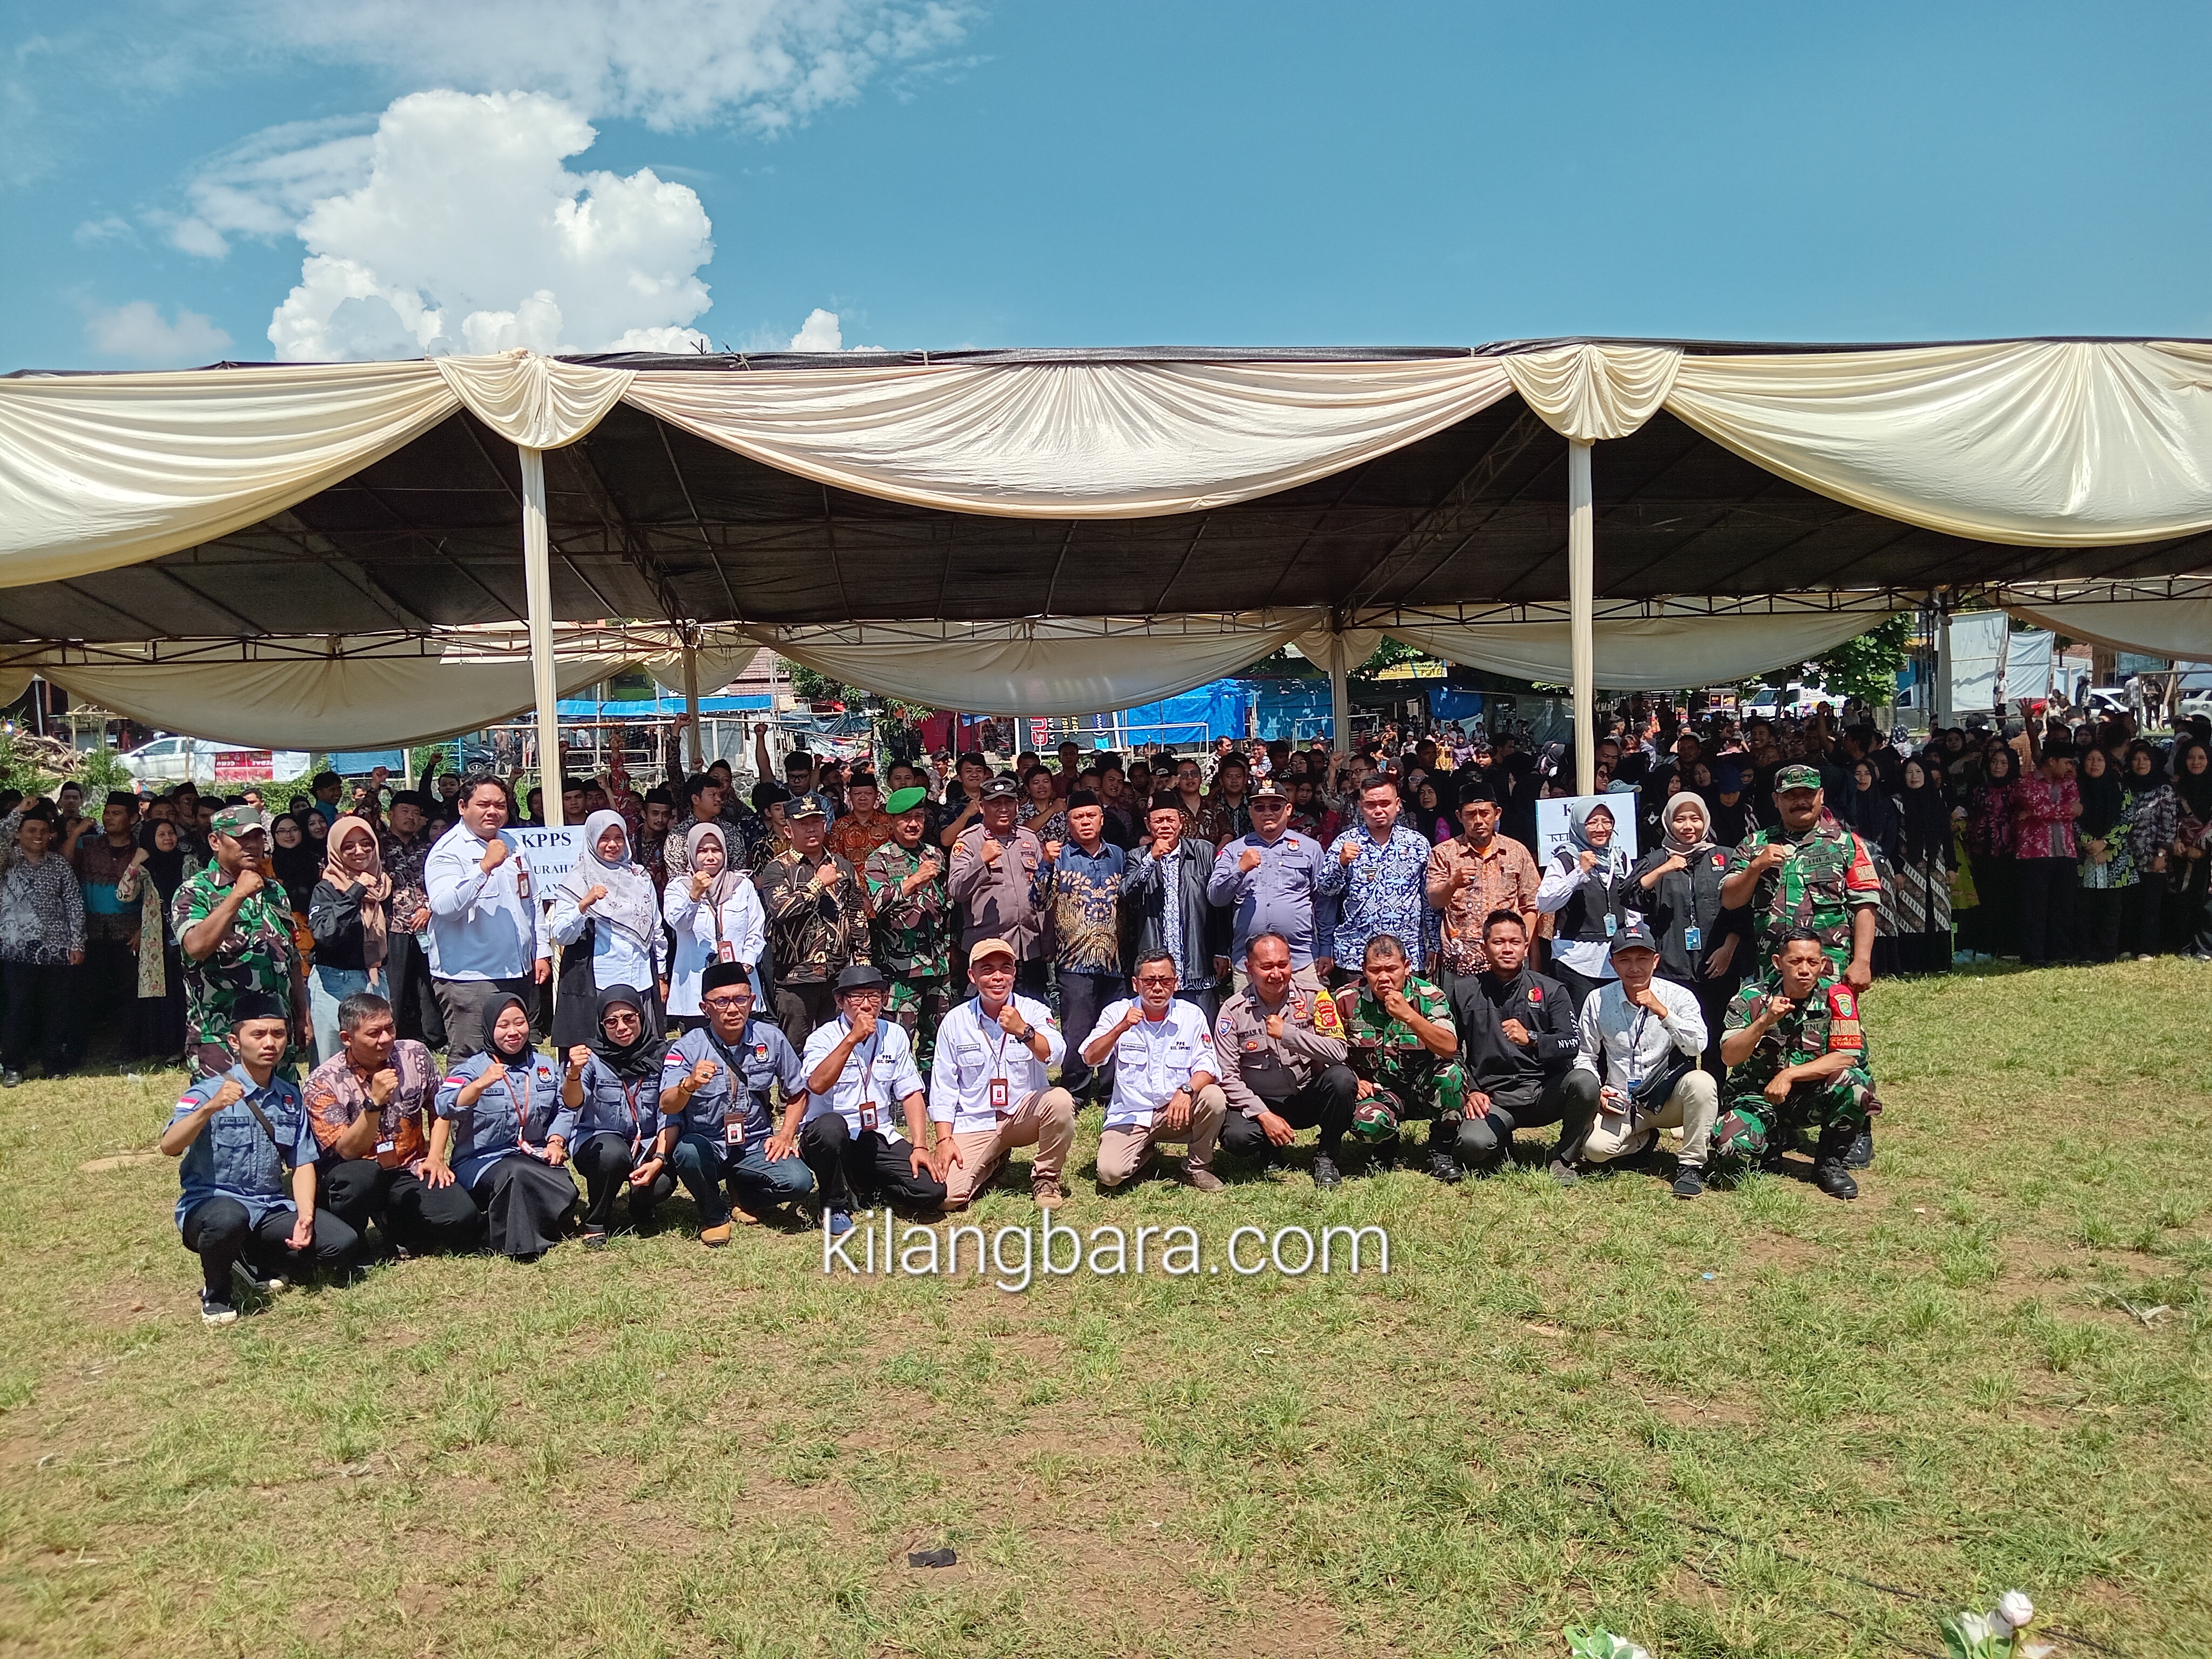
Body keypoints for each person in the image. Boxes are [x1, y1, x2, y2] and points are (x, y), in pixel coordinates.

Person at [162, 996, 365, 1325]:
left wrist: (306, 1216)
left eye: (278, 1034)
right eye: (258, 1035)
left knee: (340, 1244)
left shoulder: (289, 1097)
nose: (270, 1043)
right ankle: (217, 1293)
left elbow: (301, 1163)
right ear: (235, 1041)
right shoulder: (206, 1092)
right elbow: (169, 1146)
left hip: (268, 1207)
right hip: (212, 1206)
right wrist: (209, 1109)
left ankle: (250, 1254)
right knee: (229, 1219)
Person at [305, 991, 483, 1256]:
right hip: (354, 1174)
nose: (386, 1038)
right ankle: (353, 1241)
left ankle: (396, 1223)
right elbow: (347, 1151)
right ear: (347, 1038)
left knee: (462, 1217)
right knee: (361, 1177)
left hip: (407, 1168)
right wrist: (374, 1104)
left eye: (390, 1028)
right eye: (374, 1033)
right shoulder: (323, 1082)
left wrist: (435, 1157)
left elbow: (440, 1107)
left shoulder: (415, 1055)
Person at [1713, 930, 1878, 1201]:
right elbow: (1730, 1057)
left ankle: (1829, 1163)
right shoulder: (1752, 997)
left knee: (1855, 1083)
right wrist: (1764, 1021)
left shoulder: (1838, 998)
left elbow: (1847, 1056)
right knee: (1730, 1148)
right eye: (1795, 961)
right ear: (1778, 963)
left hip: (1810, 1097)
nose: (1804, 970)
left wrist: (1790, 1075)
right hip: (1756, 1096)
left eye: (1812, 962)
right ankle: (1773, 1141)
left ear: (1823, 965)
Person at [654, 965, 816, 1238]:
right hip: (708, 1144)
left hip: (755, 1141)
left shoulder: (771, 1038)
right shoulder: (687, 1047)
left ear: (752, 1001)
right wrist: (688, 1085)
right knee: (688, 1152)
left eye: (740, 999)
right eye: (721, 1002)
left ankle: (745, 1195)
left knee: (799, 1182)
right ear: (705, 1008)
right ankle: (714, 1215)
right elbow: (667, 1105)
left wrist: (785, 1136)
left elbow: (799, 1092)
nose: (732, 1009)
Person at [1565, 918, 1717, 1198]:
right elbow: (1586, 1055)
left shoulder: (1679, 996)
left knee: (1702, 1083)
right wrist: (1598, 1091)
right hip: (1623, 1103)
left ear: (1655, 961)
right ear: (1613, 964)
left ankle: (1691, 1165)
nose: (1634, 968)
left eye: (1642, 959)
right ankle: (1643, 1142)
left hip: (1669, 1099)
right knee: (1595, 1151)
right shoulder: (1598, 1000)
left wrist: (1664, 1013)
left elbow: (1697, 1046)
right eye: (1625, 960)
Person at [926, 937, 1074, 1210]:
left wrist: (1024, 1031)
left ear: (1014, 973)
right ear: (972, 976)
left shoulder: (1033, 1010)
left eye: (1005, 968)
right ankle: (994, 1160)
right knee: (946, 1198)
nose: (998, 977)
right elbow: (944, 1086)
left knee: (1060, 1100)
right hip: (976, 1121)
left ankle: (1047, 1178)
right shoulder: (955, 1021)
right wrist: (944, 1140)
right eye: (988, 970)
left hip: (1023, 1116)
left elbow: (1056, 1055)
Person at [797, 965, 946, 1233]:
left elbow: (911, 1092)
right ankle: (833, 1206)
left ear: (885, 998)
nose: (866, 1005)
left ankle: (861, 1182)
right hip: (828, 1136)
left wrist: (920, 1146)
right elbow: (817, 1085)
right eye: (857, 997)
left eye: (874, 996)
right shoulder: (822, 1037)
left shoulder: (895, 1034)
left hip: (875, 1133)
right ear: (840, 1001)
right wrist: (851, 1040)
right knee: (832, 1128)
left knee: (931, 1191)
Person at [1444, 910, 1590, 1183]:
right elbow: (1450, 1049)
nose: (1507, 949)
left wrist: (1533, 1039)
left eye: (1515, 942)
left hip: (1543, 1093)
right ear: (1485, 948)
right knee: (1472, 1146)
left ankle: (1564, 1158)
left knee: (1585, 1083)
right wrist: (1471, 1090)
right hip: (1493, 1098)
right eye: (1498, 942)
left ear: (1525, 947)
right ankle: (1500, 1143)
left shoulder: (1552, 990)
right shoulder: (1464, 991)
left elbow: (1572, 1043)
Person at [429, 993, 578, 1258]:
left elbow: (564, 1108)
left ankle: (540, 1225)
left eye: (520, 1023)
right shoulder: (472, 1069)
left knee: (562, 1185)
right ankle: (518, 1246)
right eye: (503, 1025)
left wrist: (556, 1141)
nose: (513, 1032)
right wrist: (479, 1085)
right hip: (482, 1161)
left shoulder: (544, 1067)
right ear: (489, 1028)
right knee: (514, 1173)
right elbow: (444, 1105)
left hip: (532, 1154)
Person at [1718, 764, 1880, 992]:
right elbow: (1730, 900)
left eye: (1808, 794)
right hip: (1771, 970)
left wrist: (1862, 962)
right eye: (1791, 796)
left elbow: (1865, 904)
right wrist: (1755, 868)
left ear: (1821, 796)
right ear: (1776, 800)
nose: (1800, 801)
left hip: (1828, 970)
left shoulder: (1847, 844)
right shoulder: (1754, 845)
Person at [1212, 932, 1358, 1187]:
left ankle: (1327, 1156)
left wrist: (1288, 1034)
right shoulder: (1233, 1011)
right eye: (1267, 967)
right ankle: (1269, 1148)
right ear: (1249, 968)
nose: (1277, 974)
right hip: (1262, 1101)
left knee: (1342, 1079)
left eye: (1283, 964)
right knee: (1237, 1138)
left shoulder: (1316, 996)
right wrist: (1263, 1115)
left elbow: (1338, 1051)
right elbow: (1227, 1076)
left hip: (1306, 1097)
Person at [423, 773, 549, 1059]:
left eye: (500, 805)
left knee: (514, 1054)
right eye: (483, 805)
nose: (493, 811)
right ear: (462, 807)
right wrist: (484, 868)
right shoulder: (447, 851)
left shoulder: (514, 844)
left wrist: (541, 950)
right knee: (472, 1057)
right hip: (470, 977)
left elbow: (532, 899)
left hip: (517, 971)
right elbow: (444, 907)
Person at [174, 805, 305, 1080]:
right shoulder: (195, 891)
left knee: (281, 1105)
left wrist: (303, 1015)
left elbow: (291, 957)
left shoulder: (274, 891)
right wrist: (237, 895)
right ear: (215, 841)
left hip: (274, 1034)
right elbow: (196, 947)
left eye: (257, 837)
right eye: (241, 838)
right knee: (228, 1106)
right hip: (222, 1035)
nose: (252, 845)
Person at [1087, 949, 1226, 1192]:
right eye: (1150, 981)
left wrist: (1186, 1090)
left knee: (1214, 1097)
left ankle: (1198, 1166)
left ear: (1176, 983)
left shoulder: (1192, 1015)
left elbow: (1208, 1066)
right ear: (1136, 984)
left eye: (1165, 980)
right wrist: (1120, 1028)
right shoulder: (1116, 1012)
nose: (1158, 987)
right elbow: (1090, 1057)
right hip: (1130, 1115)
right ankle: (1144, 1151)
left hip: (1176, 1111)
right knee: (1110, 1175)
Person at [1622, 792, 1744, 1069]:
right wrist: (1664, 868)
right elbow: (1629, 895)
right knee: (1675, 1040)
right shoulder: (1655, 860)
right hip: (1672, 968)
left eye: (1695, 818)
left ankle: (1714, 1093)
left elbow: (1741, 910)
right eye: (1680, 819)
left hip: (1717, 966)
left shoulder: (1725, 857)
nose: (1688, 826)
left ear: (1705, 820)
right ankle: (1677, 1092)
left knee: (1715, 1039)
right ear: (1668, 822)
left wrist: (1728, 949)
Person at [559, 984, 682, 1245]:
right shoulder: (589, 1058)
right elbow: (572, 1102)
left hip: (646, 1144)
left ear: (641, 1016)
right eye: (611, 1022)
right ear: (601, 1025)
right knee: (612, 1154)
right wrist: (574, 1074)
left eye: (629, 1018)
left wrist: (659, 1158)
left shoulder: (661, 1056)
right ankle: (597, 1220)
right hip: (599, 1142)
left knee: (662, 1181)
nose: (622, 1027)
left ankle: (640, 1205)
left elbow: (668, 1113)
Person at [1031, 789, 1128, 1106]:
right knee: (1077, 1029)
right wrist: (1045, 864)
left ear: (1102, 819)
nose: (1085, 822)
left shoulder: (1119, 856)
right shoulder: (1058, 856)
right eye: (1078, 817)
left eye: (1091, 815)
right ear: (1068, 822)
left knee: (1114, 1027)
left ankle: (1112, 1090)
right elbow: (1038, 901)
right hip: (1074, 959)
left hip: (1115, 959)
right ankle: (1076, 1091)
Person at [1339, 933, 1466, 1171]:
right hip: (1377, 1091)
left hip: (1421, 1087)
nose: (1384, 978)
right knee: (1368, 1125)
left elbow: (1449, 1047)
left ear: (1406, 967)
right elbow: (1328, 1052)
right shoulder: (1345, 1000)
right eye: (1375, 970)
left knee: (1452, 1075)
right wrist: (1354, 1079)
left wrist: (1409, 1016)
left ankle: (1441, 1151)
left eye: (1391, 969)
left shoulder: (1429, 995)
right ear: (1364, 970)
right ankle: (1386, 1145)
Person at [755, 798, 872, 1048]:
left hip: (838, 975)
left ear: (825, 825)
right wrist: (818, 884)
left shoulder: (842, 866)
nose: (811, 829)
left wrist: (863, 965)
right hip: (796, 977)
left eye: (816, 822)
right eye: (803, 824)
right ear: (789, 830)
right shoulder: (778, 869)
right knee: (794, 1049)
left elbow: (857, 916)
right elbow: (781, 911)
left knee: (839, 1045)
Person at [548, 810, 666, 1049]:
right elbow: (560, 934)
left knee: (640, 1047)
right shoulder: (579, 879)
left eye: (618, 838)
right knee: (602, 1049)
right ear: (592, 839)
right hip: (599, 982)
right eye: (604, 838)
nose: (613, 845)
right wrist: (584, 904)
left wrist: (661, 975)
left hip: (640, 979)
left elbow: (656, 927)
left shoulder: (639, 876)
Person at [1426, 787, 1542, 1005]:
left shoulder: (1516, 852)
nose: (1478, 820)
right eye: (1471, 814)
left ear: (1497, 814)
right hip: (1461, 965)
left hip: (1508, 963)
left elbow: (1531, 905)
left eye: (1485, 813)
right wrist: (1452, 883)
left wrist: (1527, 951)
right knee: (1460, 1022)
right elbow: (1435, 901)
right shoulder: (1444, 853)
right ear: (1459, 816)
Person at [1208, 780, 1328, 990]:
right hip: (1250, 964)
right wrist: (1240, 869)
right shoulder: (1233, 850)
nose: (1268, 813)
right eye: (1260, 807)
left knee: (1308, 1012)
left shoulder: (1311, 848)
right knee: (1249, 1013)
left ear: (1288, 809)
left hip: (1301, 960)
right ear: (1251, 811)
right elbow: (1216, 897)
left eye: (1275, 806)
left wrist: (1326, 948)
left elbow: (1324, 902)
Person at [864, 787, 952, 1068]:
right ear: (892, 822)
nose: (913, 824)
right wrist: (915, 879)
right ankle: (897, 1089)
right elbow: (878, 903)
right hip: (902, 968)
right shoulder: (879, 859)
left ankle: (931, 1085)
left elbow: (946, 902)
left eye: (919, 817)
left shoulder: (935, 855)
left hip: (937, 965)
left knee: (937, 1036)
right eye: (906, 818)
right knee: (898, 1037)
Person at [1123, 793, 1229, 1024]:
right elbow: (1128, 894)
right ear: (1148, 824)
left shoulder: (1203, 852)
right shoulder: (1136, 857)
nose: (1165, 826)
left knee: (1202, 1030)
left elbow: (1219, 905)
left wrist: (1222, 950)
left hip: (1199, 963)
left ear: (1181, 821)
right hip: (1156, 972)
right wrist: (1150, 860)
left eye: (1170, 820)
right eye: (1158, 820)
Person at [1317, 774, 1433, 986]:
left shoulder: (1418, 844)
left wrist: (1434, 944)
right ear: (1361, 807)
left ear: (1397, 804)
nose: (1378, 810)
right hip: (1356, 955)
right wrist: (1341, 863)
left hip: (1407, 954)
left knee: (1409, 1008)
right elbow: (1325, 890)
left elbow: (1430, 900)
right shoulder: (1345, 842)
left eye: (1385, 803)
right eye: (1371, 805)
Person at [0, 800, 85, 1085]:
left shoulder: (58, 863)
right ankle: (13, 1066)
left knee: (56, 1009)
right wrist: (17, 813)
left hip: (55, 949)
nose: (38, 836)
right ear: (19, 833)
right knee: (17, 1009)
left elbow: (73, 903)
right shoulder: (7, 860)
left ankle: (54, 1063)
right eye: (31, 830)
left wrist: (77, 943)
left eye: (43, 831)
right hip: (16, 949)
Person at [948, 776, 1049, 994]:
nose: (1003, 809)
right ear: (982, 807)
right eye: (995, 803)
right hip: (988, 950)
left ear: (1017, 806)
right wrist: (980, 861)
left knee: (1033, 1010)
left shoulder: (1029, 839)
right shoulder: (969, 841)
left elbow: (1044, 893)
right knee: (989, 1013)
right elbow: (956, 891)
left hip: (1029, 948)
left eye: (1008, 802)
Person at [306, 815, 392, 1064]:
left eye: (366, 844)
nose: (359, 851)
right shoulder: (326, 888)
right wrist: (355, 892)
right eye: (349, 846)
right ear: (336, 850)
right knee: (333, 1061)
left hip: (374, 978)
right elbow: (325, 934)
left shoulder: (383, 886)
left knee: (376, 1055)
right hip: (335, 982)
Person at [664, 821, 767, 1026]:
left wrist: (748, 962)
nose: (710, 857)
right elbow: (679, 925)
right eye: (702, 851)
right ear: (692, 853)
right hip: (696, 987)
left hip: (739, 981)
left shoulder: (742, 885)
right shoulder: (678, 887)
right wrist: (694, 896)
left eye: (716, 850)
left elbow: (756, 929)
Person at [1535, 799, 1632, 1010]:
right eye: (1592, 822)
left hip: (1615, 960)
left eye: (1607, 822)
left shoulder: (1620, 858)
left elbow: (1631, 905)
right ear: (1579, 825)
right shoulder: (1565, 859)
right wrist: (1579, 872)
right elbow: (1544, 902)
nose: (1601, 829)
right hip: (1575, 961)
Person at [117, 816, 194, 1061]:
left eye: (171, 833)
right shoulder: (144, 868)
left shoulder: (188, 861)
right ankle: (169, 1048)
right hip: (157, 938)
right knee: (165, 992)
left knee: (188, 989)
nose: (168, 838)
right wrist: (135, 862)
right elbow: (124, 895)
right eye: (161, 835)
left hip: (188, 932)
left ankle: (192, 1045)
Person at [72, 792, 140, 1040]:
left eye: (116, 813)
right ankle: (82, 1042)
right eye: (107, 812)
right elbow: (64, 863)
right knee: (87, 988)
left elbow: (153, 895)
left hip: (129, 930)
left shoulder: (141, 850)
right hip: (91, 928)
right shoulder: (88, 844)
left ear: (133, 819)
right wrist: (76, 833)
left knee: (129, 988)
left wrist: (143, 929)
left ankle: (130, 1042)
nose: (109, 818)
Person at [378, 792, 443, 1048]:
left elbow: (438, 884)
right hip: (393, 926)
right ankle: (393, 1034)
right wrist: (375, 786)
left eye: (416, 813)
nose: (411, 817)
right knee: (395, 986)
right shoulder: (378, 846)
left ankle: (433, 1037)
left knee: (429, 984)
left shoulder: (428, 849)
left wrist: (428, 908)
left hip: (426, 925)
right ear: (390, 814)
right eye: (405, 811)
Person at [1891, 758, 1955, 975]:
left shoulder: (1937, 801)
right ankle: (1913, 964)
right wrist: (1897, 869)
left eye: (1919, 772)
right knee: (1912, 915)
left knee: (1938, 913)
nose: (1914, 777)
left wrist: (1952, 866)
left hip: (1936, 867)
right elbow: (1892, 840)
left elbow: (1947, 836)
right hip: (1908, 867)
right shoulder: (1897, 803)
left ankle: (1939, 963)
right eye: (1910, 772)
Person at [2118, 744, 2176, 959]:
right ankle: (2127, 946)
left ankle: (2147, 948)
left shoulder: (2164, 790)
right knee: (2128, 903)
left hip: (2152, 857)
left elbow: (2169, 825)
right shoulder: (2125, 787)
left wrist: (2161, 855)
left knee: (2150, 904)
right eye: (2136, 759)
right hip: (2126, 856)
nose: (2140, 763)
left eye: (2145, 759)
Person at [2073, 745, 2129, 965]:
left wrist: (2105, 844)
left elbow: (2127, 819)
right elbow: (2071, 819)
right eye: (2090, 759)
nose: (2094, 764)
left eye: (2099, 760)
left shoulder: (2119, 788)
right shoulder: (2075, 788)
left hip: (2113, 857)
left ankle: (2108, 953)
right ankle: (2085, 953)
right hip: (2084, 855)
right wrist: (2089, 843)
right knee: (2084, 907)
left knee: (2111, 908)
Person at [826, 772, 893, 866]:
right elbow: (836, 861)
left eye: (868, 794)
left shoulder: (889, 824)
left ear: (877, 795)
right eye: (857, 794)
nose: (863, 798)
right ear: (850, 796)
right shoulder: (839, 826)